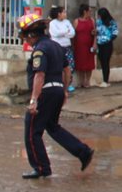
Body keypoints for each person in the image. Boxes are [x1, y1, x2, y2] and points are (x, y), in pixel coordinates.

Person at [19, 11, 93, 179]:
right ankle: (83, 152)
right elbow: (67, 70)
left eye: (26, 38)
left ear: (32, 35)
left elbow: (40, 75)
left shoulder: (40, 50)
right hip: (57, 91)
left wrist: (33, 100)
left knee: (32, 130)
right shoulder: (56, 46)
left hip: (45, 93)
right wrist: (64, 90)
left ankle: (41, 167)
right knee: (52, 127)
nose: (27, 42)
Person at [47, 6, 75, 93]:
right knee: (59, 66)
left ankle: (68, 84)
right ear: (59, 14)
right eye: (64, 12)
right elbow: (56, 34)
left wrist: (64, 32)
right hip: (57, 47)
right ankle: (60, 83)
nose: (65, 14)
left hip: (67, 46)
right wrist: (66, 31)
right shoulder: (52, 23)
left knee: (70, 66)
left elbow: (72, 33)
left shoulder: (67, 22)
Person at [72, 4, 95, 90]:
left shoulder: (92, 20)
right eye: (89, 11)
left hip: (89, 45)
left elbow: (95, 33)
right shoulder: (76, 21)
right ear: (85, 11)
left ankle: (87, 81)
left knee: (89, 63)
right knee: (79, 64)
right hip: (79, 46)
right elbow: (72, 33)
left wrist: (94, 43)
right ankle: (80, 81)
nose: (91, 13)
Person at [94, 8, 118, 87]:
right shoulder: (98, 22)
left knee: (106, 61)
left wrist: (108, 39)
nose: (99, 16)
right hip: (99, 44)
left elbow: (115, 33)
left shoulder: (111, 22)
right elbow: (97, 31)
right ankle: (104, 79)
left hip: (107, 44)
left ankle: (105, 80)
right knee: (102, 61)